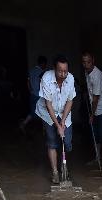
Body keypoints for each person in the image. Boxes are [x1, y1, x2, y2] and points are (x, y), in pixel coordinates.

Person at [36, 55, 76, 184]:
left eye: (65, 71)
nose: (63, 74)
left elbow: (70, 101)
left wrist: (63, 121)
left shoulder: (70, 78)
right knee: (52, 141)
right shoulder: (46, 78)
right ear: (54, 69)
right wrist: (57, 126)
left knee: (67, 142)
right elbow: (48, 104)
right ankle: (55, 172)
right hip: (49, 113)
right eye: (60, 71)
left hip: (64, 111)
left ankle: (64, 167)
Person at [81, 52, 102, 167]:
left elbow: (96, 99)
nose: (86, 64)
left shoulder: (96, 75)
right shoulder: (87, 72)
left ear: (93, 60)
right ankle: (97, 158)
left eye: (88, 62)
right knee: (96, 135)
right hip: (95, 108)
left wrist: (92, 115)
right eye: (84, 62)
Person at [19, 56, 47, 134]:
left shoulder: (31, 71)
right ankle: (44, 129)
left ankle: (24, 123)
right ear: (43, 63)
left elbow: (27, 81)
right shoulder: (41, 72)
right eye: (45, 64)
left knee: (35, 112)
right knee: (42, 112)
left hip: (32, 95)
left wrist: (30, 89)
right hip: (39, 95)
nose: (45, 66)